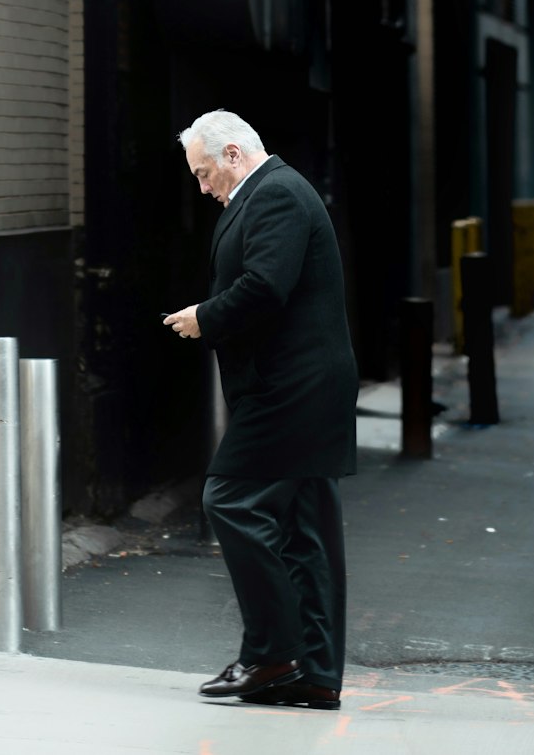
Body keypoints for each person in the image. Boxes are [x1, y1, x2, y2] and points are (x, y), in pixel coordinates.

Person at [164, 109, 358, 711]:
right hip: (301, 386)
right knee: (305, 531)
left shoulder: (274, 194)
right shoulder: (274, 191)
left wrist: (206, 316)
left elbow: (266, 285)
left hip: (291, 390)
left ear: (231, 155)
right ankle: (316, 675)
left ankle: (273, 654)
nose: (201, 187)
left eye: (203, 173)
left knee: (230, 499)